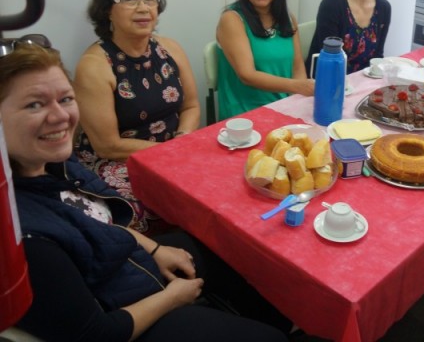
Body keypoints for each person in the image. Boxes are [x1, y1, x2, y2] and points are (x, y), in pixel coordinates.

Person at [2, 40, 289, 342]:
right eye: (35, 104)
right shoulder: (29, 239)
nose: (60, 116)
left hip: (128, 266)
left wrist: (154, 248)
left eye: (65, 99)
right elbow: (96, 334)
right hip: (127, 317)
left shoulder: (50, 165)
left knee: (225, 249)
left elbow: (99, 223)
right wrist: (173, 298)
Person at [74, 0, 201, 234]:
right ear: (108, 9)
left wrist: (182, 138)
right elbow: (108, 146)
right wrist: (168, 154)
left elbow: (191, 105)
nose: (143, 8)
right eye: (130, 0)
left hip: (172, 150)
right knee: (136, 211)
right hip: (117, 162)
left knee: (215, 188)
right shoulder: (95, 66)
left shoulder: (170, 48)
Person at [216, 0, 313, 118]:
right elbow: (248, 75)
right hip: (246, 116)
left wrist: (298, 105)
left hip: (285, 109)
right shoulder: (232, 19)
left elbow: (297, 67)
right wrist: (298, 87)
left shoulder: (288, 19)